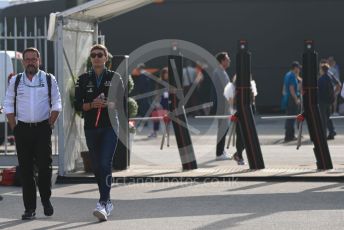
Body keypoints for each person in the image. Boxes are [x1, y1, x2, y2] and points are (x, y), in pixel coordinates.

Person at [3, 47, 62, 220]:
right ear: (23, 62)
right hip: (22, 130)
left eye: (33, 59)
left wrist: (50, 123)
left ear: (39, 61)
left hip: (43, 129)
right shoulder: (16, 80)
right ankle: (29, 208)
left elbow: (57, 103)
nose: (30, 62)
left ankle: (46, 199)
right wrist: (14, 127)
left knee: (45, 168)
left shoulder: (49, 79)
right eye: (27, 59)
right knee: (26, 170)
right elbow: (8, 104)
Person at [74, 44, 124, 221]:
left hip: (110, 126)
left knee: (105, 162)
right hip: (91, 127)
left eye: (99, 55)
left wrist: (109, 104)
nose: (96, 58)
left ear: (106, 58)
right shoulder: (83, 78)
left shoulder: (115, 77)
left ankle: (103, 202)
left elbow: (122, 102)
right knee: (96, 165)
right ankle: (107, 200)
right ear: (90, 58)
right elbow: (77, 105)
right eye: (93, 55)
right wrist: (91, 105)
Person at [214, 52, 231, 160]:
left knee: (224, 127)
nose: (229, 61)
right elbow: (225, 89)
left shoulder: (221, 71)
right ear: (222, 60)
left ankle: (221, 150)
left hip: (224, 104)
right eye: (227, 59)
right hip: (223, 105)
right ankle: (219, 153)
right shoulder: (219, 72)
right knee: (223, 128)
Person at [281, 61, 302, 142]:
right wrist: (296, 100)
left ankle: (289, 135)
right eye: (298, 67)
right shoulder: (292, 76)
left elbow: (284, 87)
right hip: (292, 99)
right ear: (295, 68)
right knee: (292, 118)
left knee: (289, 117)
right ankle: (289, 136)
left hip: (288, 98)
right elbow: (291, 88)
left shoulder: (288, 74)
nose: (299, 69)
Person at [148, 67, 169, 138]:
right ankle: (155, 132)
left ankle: (166, 132)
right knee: (155, 115)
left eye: (167, 73)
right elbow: (157, 93)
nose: (166, 75)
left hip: (169, 102)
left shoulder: (172, 82)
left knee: (167, 118)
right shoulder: (160, 82)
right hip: (161, 102)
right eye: (165, 73)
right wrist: (157, 103)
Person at [318, 63, 335, 137]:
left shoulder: (321, 79)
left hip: (322, 102)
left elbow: (319, 91)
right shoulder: (329, 78)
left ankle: (323, 135)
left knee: (323, 119)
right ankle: (331, 133)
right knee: (328, 117)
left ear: (322, 70)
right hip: (329, 101)